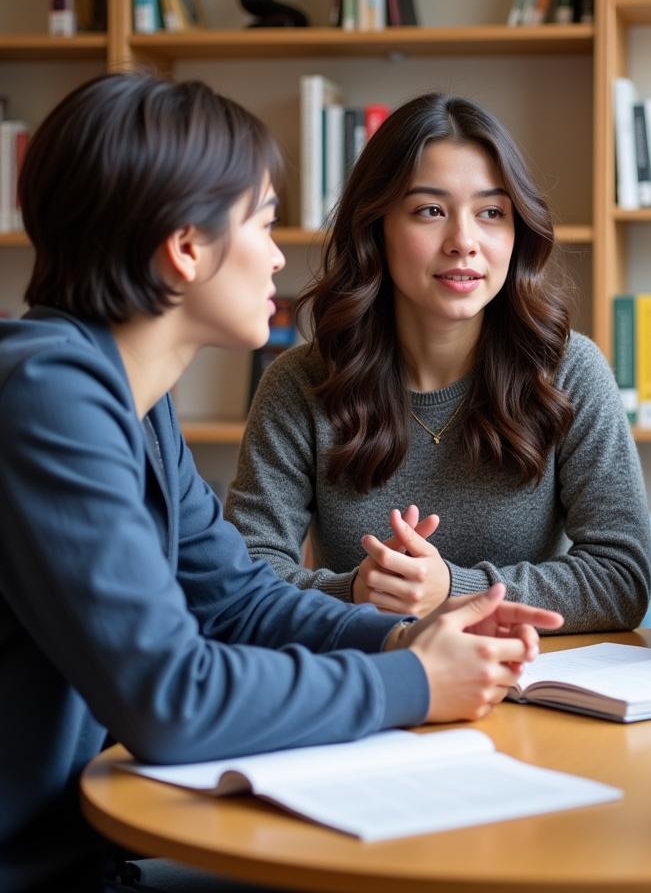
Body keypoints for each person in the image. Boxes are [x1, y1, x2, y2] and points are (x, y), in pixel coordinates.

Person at [0, 73, 563, 893]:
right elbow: (173, 698)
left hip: (88, 846)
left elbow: (234, 601)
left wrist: (405, 639)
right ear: (186, 247)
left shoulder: (127, 398)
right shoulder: (48, 397)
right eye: (261, 221)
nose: (277, 252)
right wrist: (413, 683)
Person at [225, 93, 650, 633]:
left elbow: (622, 578)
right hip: (367, 679)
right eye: (430, 211)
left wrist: (455, 589)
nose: (464, 242)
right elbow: (242, 578)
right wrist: (355, 589)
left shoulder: (568, 372)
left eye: (491, 213)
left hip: (521, 687)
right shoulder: (300, 383)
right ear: (376, 226)